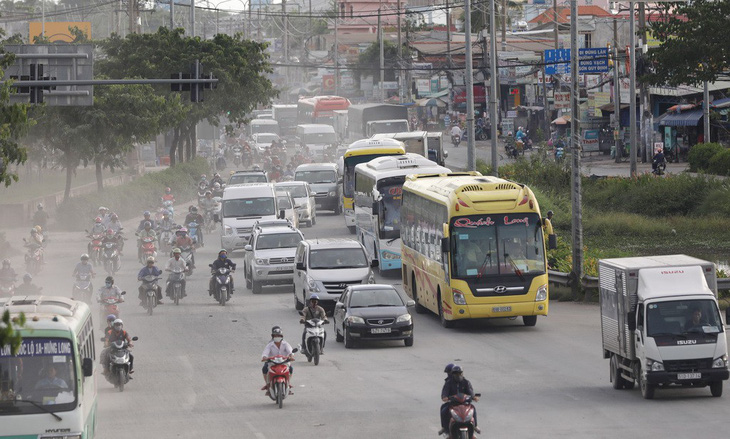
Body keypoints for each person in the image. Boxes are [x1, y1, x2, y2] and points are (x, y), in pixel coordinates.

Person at [439, 365, 479, 435]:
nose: (458, 375)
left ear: (462, 373)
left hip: (465, 403)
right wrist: (444, 397)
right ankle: (444, 427)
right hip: (452, 404)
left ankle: (475, 426)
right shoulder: (449, 382)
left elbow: (470, 391)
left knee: (473, 408)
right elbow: (445, 391)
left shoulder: (466, 382)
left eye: (459, 373)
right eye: (456, 373)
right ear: (453, 374)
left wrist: (473, 397)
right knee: (443, 410)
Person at [261, 326, 295, 395]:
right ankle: (268, 384)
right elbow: (265, 353)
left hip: (284, 362)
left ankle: (288, 383)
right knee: (264, 369)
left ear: (281, 336)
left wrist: (291, 356)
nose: (277, 337)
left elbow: (290, 351)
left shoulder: (286, 344)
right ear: (273, 336)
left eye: (278, 335)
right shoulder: (270, 345)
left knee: (291, 368)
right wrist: (264, 357)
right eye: (275, 335)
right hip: (272, 362)